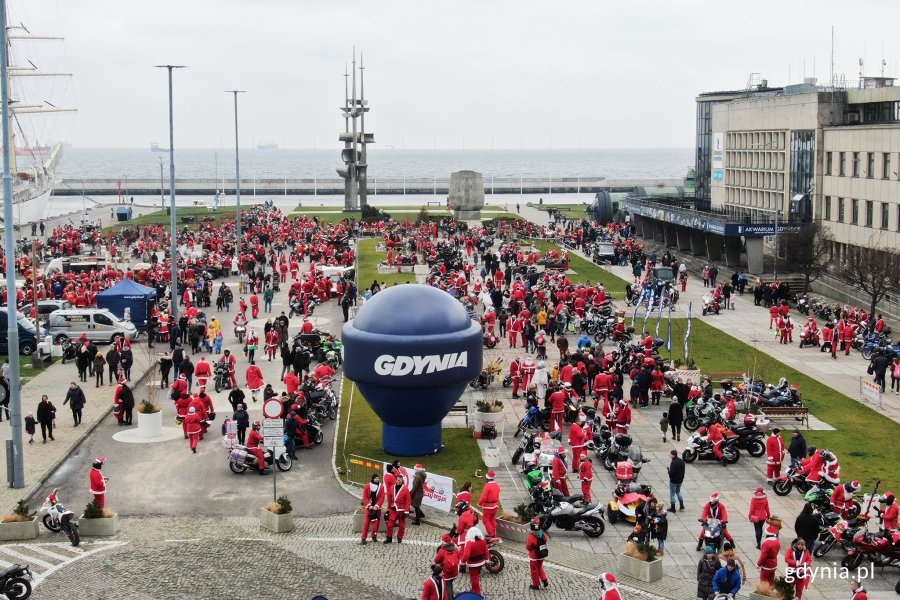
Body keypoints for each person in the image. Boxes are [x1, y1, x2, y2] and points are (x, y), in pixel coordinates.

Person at [460, 526, 488, 595]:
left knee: (474, 578)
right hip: (481, 562)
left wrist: (462, 562)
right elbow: (486, 551)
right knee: (477, 576)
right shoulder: (483, 541)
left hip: (473, 563)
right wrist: (487, 560)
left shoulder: (470, 543)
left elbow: (466, 555)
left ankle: (476, 592)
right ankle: (476, 589)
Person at [384, 473, 410, 543]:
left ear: (402, 481)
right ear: (396, 480)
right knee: (390, 524)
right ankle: (389, 538)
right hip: (393, 509)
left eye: (400, 480)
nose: (399, 481)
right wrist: (388, 508)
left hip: (401, 510)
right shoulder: (392, 487)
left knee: (402, 526)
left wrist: (406, 511)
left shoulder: (406, 489)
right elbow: (389, 498)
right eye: (398, 480)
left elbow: (408, 501)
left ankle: (399, 538)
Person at [525, 517, 550, 589]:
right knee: (540, 567)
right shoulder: (541, 534)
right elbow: (546, 540)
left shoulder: (532, 536)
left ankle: (536, 585)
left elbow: (529, 547)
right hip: (541, 555)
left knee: (534, 570)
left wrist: (527, 546)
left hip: (534, 557)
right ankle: (544, 580)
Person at [360, 473, 384, 544]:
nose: (377, 479)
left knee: (376, 524)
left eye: (377, 478)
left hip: (377, 509)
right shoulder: (367, 486)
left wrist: (377, 506)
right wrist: (369, 505)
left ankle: (374, 537)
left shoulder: (381, 487)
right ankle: (363, 538)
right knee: (366, 524)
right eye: (375, 478)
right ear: (373, 479)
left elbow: (382, 497)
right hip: (369, 509)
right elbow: (365, 497)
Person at [478, 470, 500, 537]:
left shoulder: (487, 486)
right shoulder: (497, 485)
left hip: (488, 506)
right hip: (495, 505)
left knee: (485, 520)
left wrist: (479, 504)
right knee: (492, 520)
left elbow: (484, 497)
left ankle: (491, 534)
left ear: (487, 478)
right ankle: (494, 533)